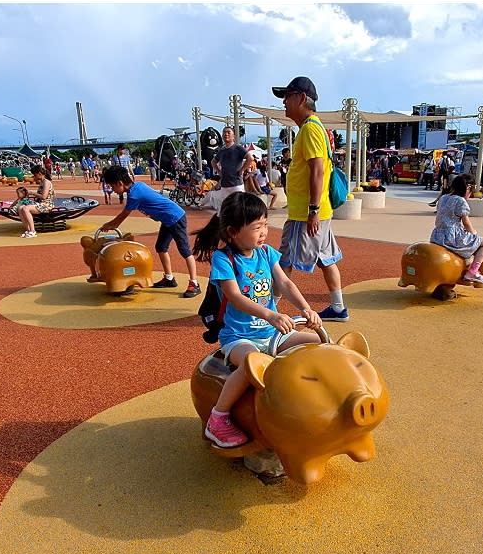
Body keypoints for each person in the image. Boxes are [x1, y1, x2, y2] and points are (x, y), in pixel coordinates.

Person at [190, 191, 323, 447]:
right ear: (233, 231)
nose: (264, 232)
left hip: (271, 334)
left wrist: (307, 309)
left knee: (317, 342)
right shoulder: (224, 259)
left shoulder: (266, 253)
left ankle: (310, 402)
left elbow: (284, 282)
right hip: (239, 336)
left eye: (265, 224)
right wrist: (270, 314)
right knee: (252, 363)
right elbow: (235, 296)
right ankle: (218, 419)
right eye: (257, 227)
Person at [272, 75, 349, 322]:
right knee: (326, 258)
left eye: (287, 97)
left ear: (301, 98)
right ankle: (338, 307)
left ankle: (269, 310)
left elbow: (317, 170)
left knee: (284, 261)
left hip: (305, 213)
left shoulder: (310, 129)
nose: (284, 102)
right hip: (316, 211)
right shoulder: (313, 127)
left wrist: (312, 210)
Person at [100, 165, 202, 298]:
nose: (112, 190)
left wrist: (109, 225)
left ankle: (194, 283)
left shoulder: (134, 195)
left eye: (112, 187)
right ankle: (169, 278)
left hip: (175, 218)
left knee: (184, 250)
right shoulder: (138, 186)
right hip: (168, 219)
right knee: (161, 247)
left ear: (120, 183)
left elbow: (122, 216)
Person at [430, 174, 483, 284]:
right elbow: (466, 222)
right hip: (452, 237)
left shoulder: (444, 197)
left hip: (437, 235)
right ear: (468, 188)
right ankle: (473, 272)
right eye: (471, 190)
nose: (471, 193)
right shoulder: (460, 201)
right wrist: (473, 233)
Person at [210, 126, 254, 212]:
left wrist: (242, 169)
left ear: (233, 136)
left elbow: (250, 158)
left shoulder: (238, 148)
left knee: (239, 208)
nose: (226, 134)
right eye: (224, 132)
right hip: (224, 185)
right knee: (226, 209)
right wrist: (219, 171)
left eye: (228, 132)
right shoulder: (221, 150)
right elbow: (213, 162)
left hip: (236, 184)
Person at [15, 164, 55, 238]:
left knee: (25, 208)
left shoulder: (46, 182)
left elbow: (44, 197)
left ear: (39, 174)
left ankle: (33, 231)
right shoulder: (42, 182)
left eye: (35, 175)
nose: (34, 176)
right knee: (20, 208)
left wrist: (32, 193)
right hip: (41, 204)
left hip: (46, 205)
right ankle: (28, 230)